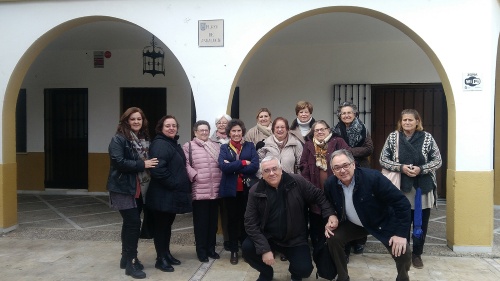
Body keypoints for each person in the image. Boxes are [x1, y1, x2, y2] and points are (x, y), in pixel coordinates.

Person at [242, 156, 337, 281]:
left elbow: (319, 196)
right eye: (267, 171)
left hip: (295, 239)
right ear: (262, 174)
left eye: (274, 169)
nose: (271, 173)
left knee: (304, 269)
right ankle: (266, 273)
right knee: (247, 248)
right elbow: (250, 223)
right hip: (268, 237)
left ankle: (295, 273)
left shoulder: (296, 181)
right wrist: (264, 249)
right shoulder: (255, 191)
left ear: (281, 169)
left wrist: (330, 214)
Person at [324, 149, 412, 281]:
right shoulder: (330, 184)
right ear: (332, 170)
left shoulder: (373, 178)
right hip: (356, 224)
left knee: (403, 252)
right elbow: (326, 202)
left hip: (383, 222)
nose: (342, 170)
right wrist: (331, 215)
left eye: (345, 165)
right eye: (337, 168)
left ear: (353, 164)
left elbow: (402, 203)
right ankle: (342, 277)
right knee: (333, 237)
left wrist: (400, 234)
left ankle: (402, 278)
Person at [380, 109, 442, 269]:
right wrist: (401, 167)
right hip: (401, 186)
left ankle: (417, 254)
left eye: (410, 120)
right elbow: (383, 159)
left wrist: (421, 169)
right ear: (400, 122)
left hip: (422, 187)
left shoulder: (427, 138)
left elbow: (438, 160)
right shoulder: (393, 138)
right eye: (404, 120)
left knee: (421, 222)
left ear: (417, 122)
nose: (407, 122)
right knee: (402, 221)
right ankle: (404, 253)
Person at [107, 107, 158, 279]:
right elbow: (118, 162)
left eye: (139, 119)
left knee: (130, 224)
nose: (136, 122)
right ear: (126, 121)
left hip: (140, 188)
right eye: (132, 119)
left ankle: (125, 258)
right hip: (123, 188)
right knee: (133, 224)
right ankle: (132, 263)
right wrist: (142, 164)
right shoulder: (119, 139)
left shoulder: (144, 138)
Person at [147, 115, 192, 273]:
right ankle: (161, 259)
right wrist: (175, 184)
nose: (171, 128)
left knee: (167, 226)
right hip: (162, 195)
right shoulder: (160, 144)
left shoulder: (170, 143)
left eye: (174, 125)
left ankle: (166, 254)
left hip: (169, 195)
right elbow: (158, 170)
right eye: (168, 126)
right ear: (161, 128)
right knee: (161, 227)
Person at [332, 101, 374, 257]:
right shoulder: (335, 131)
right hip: (342, 172)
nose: (346, 115)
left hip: (361, 170)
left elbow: (369, 149)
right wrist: (349, 154)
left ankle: (360, 240)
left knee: (361, 204)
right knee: (345, 205)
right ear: (340, 115)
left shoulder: (363, 129)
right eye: (343, 113)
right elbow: (334, 149)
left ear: (355, 114)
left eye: (349, 112)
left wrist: (347, 152)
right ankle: (347, 241)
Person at [300, 120, 349, 249]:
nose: (320, 132)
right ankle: (320, 249)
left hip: (337, 190)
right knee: (317, 220)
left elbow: (348, 160)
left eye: (323, 129)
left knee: (338, 219)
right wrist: (308, 187)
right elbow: (303, 165)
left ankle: (342, 250)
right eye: (317, 130)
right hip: (315, 190)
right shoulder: (309, 145)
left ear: (328, 130)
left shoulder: (338, 142)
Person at [218, 119, 259, 265]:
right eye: (233, 131)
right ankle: (234, 249)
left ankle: (246, 249)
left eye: (239, 131)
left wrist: (233, 166)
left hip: (247, 190)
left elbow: (254, 166)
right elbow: (223, 166)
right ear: (229, 133)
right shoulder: (224, 148)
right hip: (231, 190)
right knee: (232, 220)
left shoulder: (250, 146)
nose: (236, 133)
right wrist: (242, 162)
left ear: (243, 132)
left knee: (246, 219)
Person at [183, 120, 222, 263]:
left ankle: (211, 249)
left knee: (212, 223)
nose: (204, 132)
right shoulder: (189, 146)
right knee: (201, 223)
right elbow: (185, 164)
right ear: (195, 132)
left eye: (206, 130)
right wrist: (194, 175)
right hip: (199, 190)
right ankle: (201, 251)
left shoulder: (215, 146)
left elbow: (221, 163)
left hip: (215, 189)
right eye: (201, 130)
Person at [209, 113, 232, 250]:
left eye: (225, 122)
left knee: (227, 213)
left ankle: (228, 240)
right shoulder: (210, 140)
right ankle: (210, 243)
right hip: (212, 180)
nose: (222, 125)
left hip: (228, 180)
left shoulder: (234, 138)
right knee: (212, 214)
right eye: (219, 123)